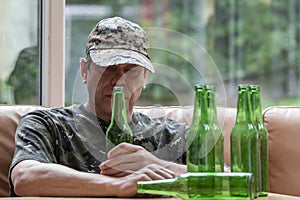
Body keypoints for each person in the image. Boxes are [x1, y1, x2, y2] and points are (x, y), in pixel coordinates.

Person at [9, 16, 188, 197]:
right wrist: (117, 186)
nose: (119, 82)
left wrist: (158, 165)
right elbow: (24, 177)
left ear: (145, 79)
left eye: (131, 70)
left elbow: (217, 178)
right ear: (84, 71)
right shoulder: (48, 125)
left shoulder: (171, 135)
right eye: (108, 68)